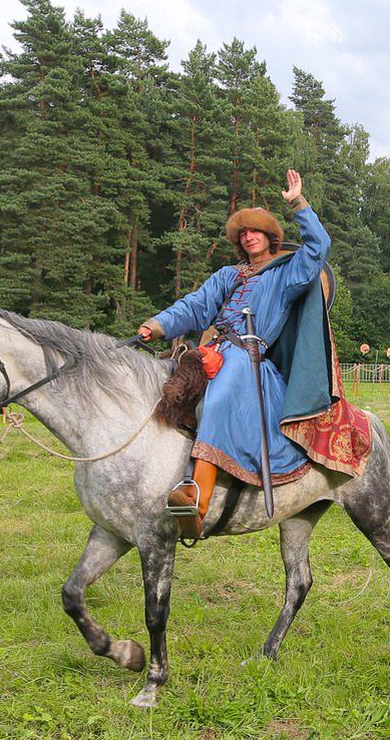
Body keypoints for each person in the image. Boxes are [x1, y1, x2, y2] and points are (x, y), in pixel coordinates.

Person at [138, 170, 330, 539]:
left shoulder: (287, 273)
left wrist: (298, 204)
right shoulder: (228, 275)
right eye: (243, 232)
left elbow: (319, 247)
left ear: (271, 236)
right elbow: (195, 305)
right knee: (164, 383)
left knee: (222, 387)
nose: (249, 236)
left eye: (255, 230)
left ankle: (198, 498)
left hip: (250, 361)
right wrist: (157, 325)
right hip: (211, 350)